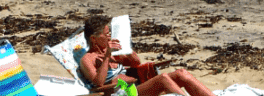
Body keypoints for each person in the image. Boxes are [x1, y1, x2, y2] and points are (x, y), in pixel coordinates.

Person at [79, 15, 215, 96]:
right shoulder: (87, 59)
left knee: (181, 73)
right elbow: (98, 83)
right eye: (106, 34)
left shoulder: (111, 51)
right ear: (93, 38)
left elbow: (135, 63)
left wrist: (126, 48)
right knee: (162, 78)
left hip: (137, 87)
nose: (109, 36)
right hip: (122, 93)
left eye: (109, 32)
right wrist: (108, 55)